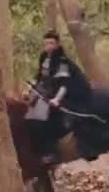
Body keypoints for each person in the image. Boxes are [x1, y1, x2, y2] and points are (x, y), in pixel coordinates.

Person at [27, 30, 93, 164]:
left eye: (51, 43)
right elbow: (39, 76)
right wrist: (29, 90)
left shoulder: (62, 61)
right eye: (46, 43)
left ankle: (51, 152)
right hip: (48, 94)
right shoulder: (44, 58)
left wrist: (57, 99)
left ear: (57, 44)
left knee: (45, 119)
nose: (49, 46)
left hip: (65, 97)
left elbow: (64, 84)